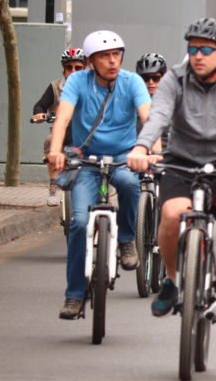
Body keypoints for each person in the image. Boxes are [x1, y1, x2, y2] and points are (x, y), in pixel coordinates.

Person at [128, 17, 216, 323]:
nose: (198, 55)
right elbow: (159, 116)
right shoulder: (175, 79)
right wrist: (142, 147)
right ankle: (170, 280)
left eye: (206, 49)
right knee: (170, 214)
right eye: (193, 48)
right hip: (181, 160)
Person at [49, 31, 151, 320]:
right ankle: (74, 295)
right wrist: (56, 151)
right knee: (79, 222)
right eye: (105, 56)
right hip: (86, 161)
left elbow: (148, 117)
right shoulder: (77, 81)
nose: (112, 60)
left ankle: (127, 238)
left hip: (123, 158)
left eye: (116, 54)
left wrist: (152, 150)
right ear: (91, 61)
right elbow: (64, 117)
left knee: (131, 184)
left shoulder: (132, 82)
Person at [32, 47, 85, 207]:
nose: (73, 71)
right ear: (64, 69)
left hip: (85, 134)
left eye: (78, 67)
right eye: (69, 67)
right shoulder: (55, 87)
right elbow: (40, 105)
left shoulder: (91, 85)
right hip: (61, 134)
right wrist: (39, 114)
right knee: (50, 141)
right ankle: (54, 186)